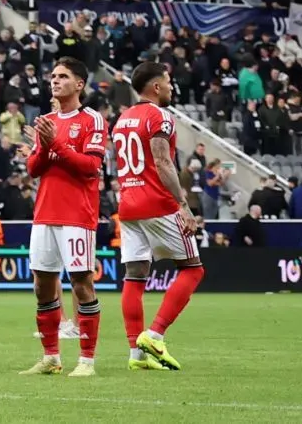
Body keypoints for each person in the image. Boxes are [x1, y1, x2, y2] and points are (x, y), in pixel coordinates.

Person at [112, 61, 205, 372]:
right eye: (167, 82)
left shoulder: (122, 119)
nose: (171, 87)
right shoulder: (159, 116)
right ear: (155, 87)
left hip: (128, 204)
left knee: (135, 276)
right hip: (158, 203)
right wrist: (183, 204)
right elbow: (163, 161)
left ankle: (136, 355)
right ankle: (155, 334)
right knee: (193, 270)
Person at [21, 57, 107, 377]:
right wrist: (44, 146)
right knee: (42, 284)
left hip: (77, 214)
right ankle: (51, 357)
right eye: (53, 76)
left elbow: (90, 167)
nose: (55, 81)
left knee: (81, 283)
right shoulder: (46, 120)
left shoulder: (92, 120)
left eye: (63, 77)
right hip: (45, 212)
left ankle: (87, 360)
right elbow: (33, 169)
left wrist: (54, 142)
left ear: (79, 84)